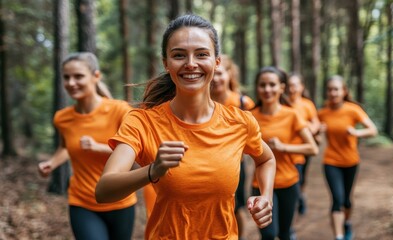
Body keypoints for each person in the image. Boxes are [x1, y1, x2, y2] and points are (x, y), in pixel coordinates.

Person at [95, 14, 276, 239]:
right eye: (179, 55)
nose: (191, 63)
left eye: (201, 54)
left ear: (216, 62)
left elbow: (266, 159)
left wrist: (266, 197)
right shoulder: (142, 122)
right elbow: (104, 190)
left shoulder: (240, 121)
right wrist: (153, 170)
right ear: (166, 63)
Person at [38, 52, 137, 240]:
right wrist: (52, 163)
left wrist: (98, 147)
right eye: (66, 77)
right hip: (82, 202)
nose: (71, 83)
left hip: (120, 201)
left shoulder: (120, 110)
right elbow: (67, 147)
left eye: (78, 76)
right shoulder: (62, 118)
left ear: (96, 76)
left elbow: (135, 152)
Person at [250, 66, 318, 240]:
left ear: (282, 88)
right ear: (257, 87)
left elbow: (312, 148)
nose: (267, 90)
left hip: (288, 182)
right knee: (268, 234)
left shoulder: (292, 115)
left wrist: (283, 147)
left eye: (272, 85)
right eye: (262, 85)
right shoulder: (249, 117)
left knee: (285, 234)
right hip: (261, 185)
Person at [318, 75, 378, 240]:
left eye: (336, 89)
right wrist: (318, 131)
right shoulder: (322, 113)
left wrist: (356, 132)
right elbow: (313, 133)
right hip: (330, 162)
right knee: (337, 199)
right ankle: (339, 236)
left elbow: (373, 130)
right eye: (330, 89)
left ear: (343, 91)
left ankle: (347, 223)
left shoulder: (353, 110)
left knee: (347, 200)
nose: (333, 93)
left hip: (351, 161)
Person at [211, 54, 255, 239]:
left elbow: (256, 139)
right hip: (205, 164)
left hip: (235, 165)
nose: (215, 78)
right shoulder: (198, 102)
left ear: (229, 74)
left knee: (236, 207)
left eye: (220, 73)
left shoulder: (243, 103)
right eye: (212, 73)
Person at [285, 73, 321, 215]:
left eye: (294, 85)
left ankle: (301, 196)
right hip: (288, 149)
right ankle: (295, 199)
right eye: (289, 85)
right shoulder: (284, 103)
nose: (291, 89)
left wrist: (309, 129)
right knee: (294, 177)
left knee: (301, 177)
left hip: (305, 148)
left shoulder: (307, 104)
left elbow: (316, 122)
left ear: (301, 87)